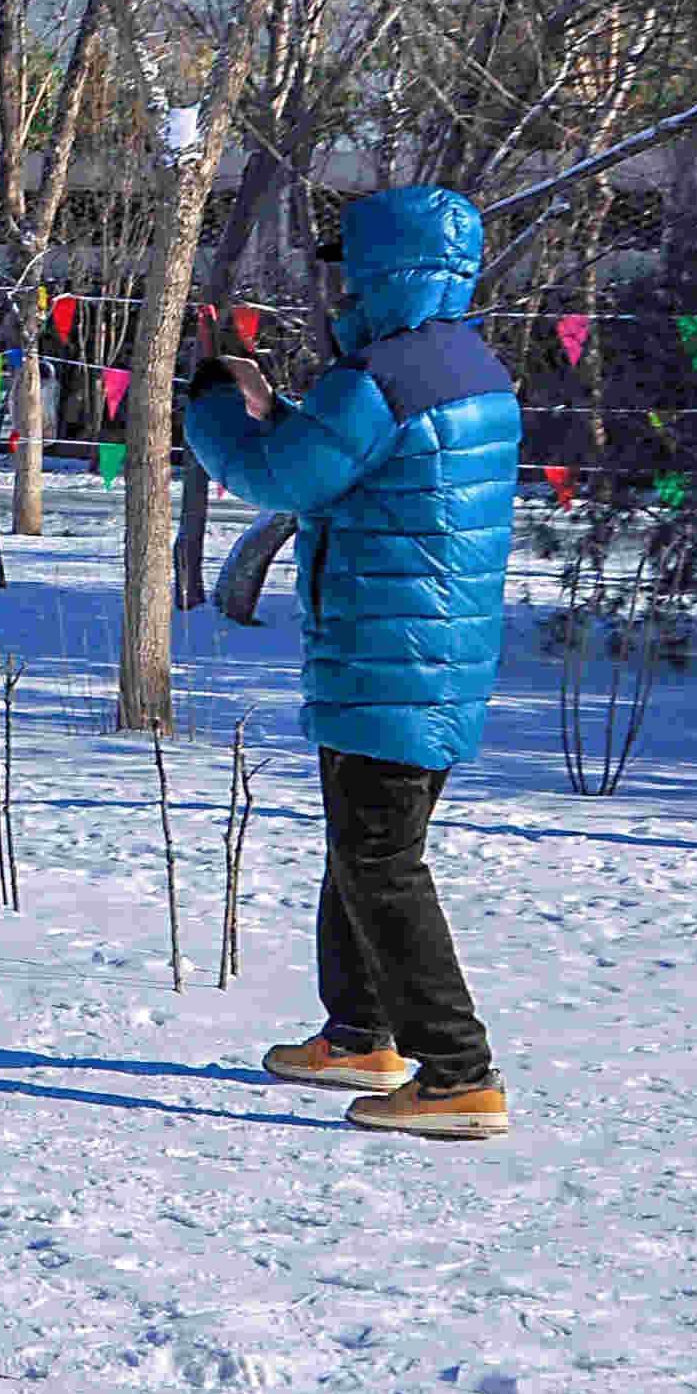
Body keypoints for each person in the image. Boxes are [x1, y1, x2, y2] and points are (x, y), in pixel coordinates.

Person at [181, 184, 523, 1140]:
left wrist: (215, 401)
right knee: (364, 850)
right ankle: (358, 1033)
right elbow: (355, 464)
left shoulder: (381, 374)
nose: (338, 287)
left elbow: (280, 474)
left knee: (380, 860)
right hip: (427, 652)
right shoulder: (462, 364)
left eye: (348, 271)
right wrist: (274, 404)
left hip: (388, 653)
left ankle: (457, 1073)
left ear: (380, 270)